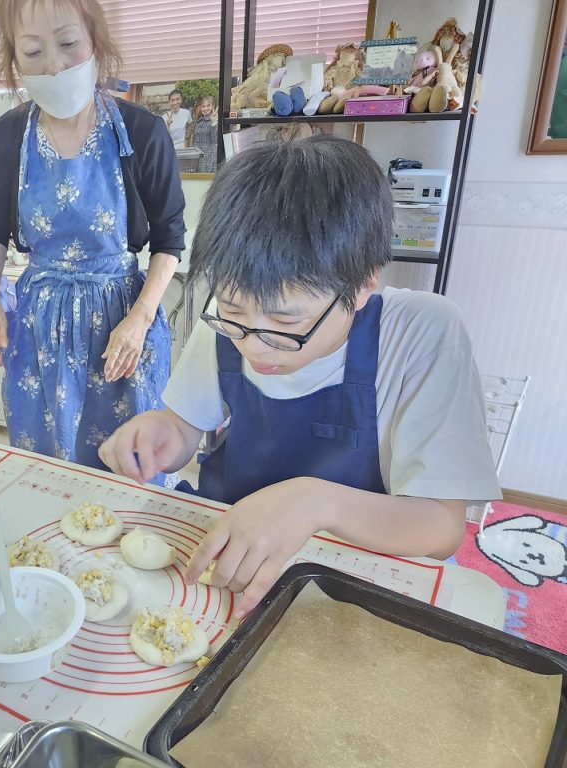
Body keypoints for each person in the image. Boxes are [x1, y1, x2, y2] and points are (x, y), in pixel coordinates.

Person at [100, 135, 500, 617]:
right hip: (233, 561)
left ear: (363, 285)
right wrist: (162, 433)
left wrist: (316, 503)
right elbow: (185, 427)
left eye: (286, 322)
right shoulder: (233, 324)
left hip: (348, 580)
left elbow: (440, 528)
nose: (254, 345)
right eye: (232, 311)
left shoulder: (421, 332)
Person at [0, 0, 184, 471]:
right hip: (40, 325)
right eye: (33, 52)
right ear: (14, 58)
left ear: (95, 41)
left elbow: (170, 238)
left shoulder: (143, 131)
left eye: (68, 43)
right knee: (46, 459)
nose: (54, 65)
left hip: (121, 322)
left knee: (129, 461)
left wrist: (140, 320)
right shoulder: (7, 137)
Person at [186, 95, 218, 173]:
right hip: (196, 156)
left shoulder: (214, 119)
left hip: (208, 157)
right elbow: (193, 139)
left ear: (213, 106)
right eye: (203, 106)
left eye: (208, 106)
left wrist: (213, 123)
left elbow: (215, 140)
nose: (205, 108)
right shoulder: (198, 120)